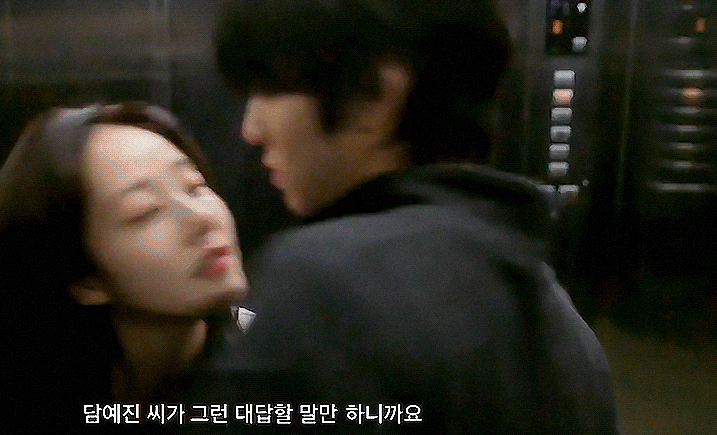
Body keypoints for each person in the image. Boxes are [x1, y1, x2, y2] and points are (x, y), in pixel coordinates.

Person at [180, 0, 621, 433]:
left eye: (270, 89)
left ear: (375, 97)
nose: (251, 129)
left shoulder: (327, 283)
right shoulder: (550, 306)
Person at [0, 102, 248, 434]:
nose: (202, 218)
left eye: (195, 186)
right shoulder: (22, 410)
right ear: (86, 280)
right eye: (145, 211)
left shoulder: (277, 348)